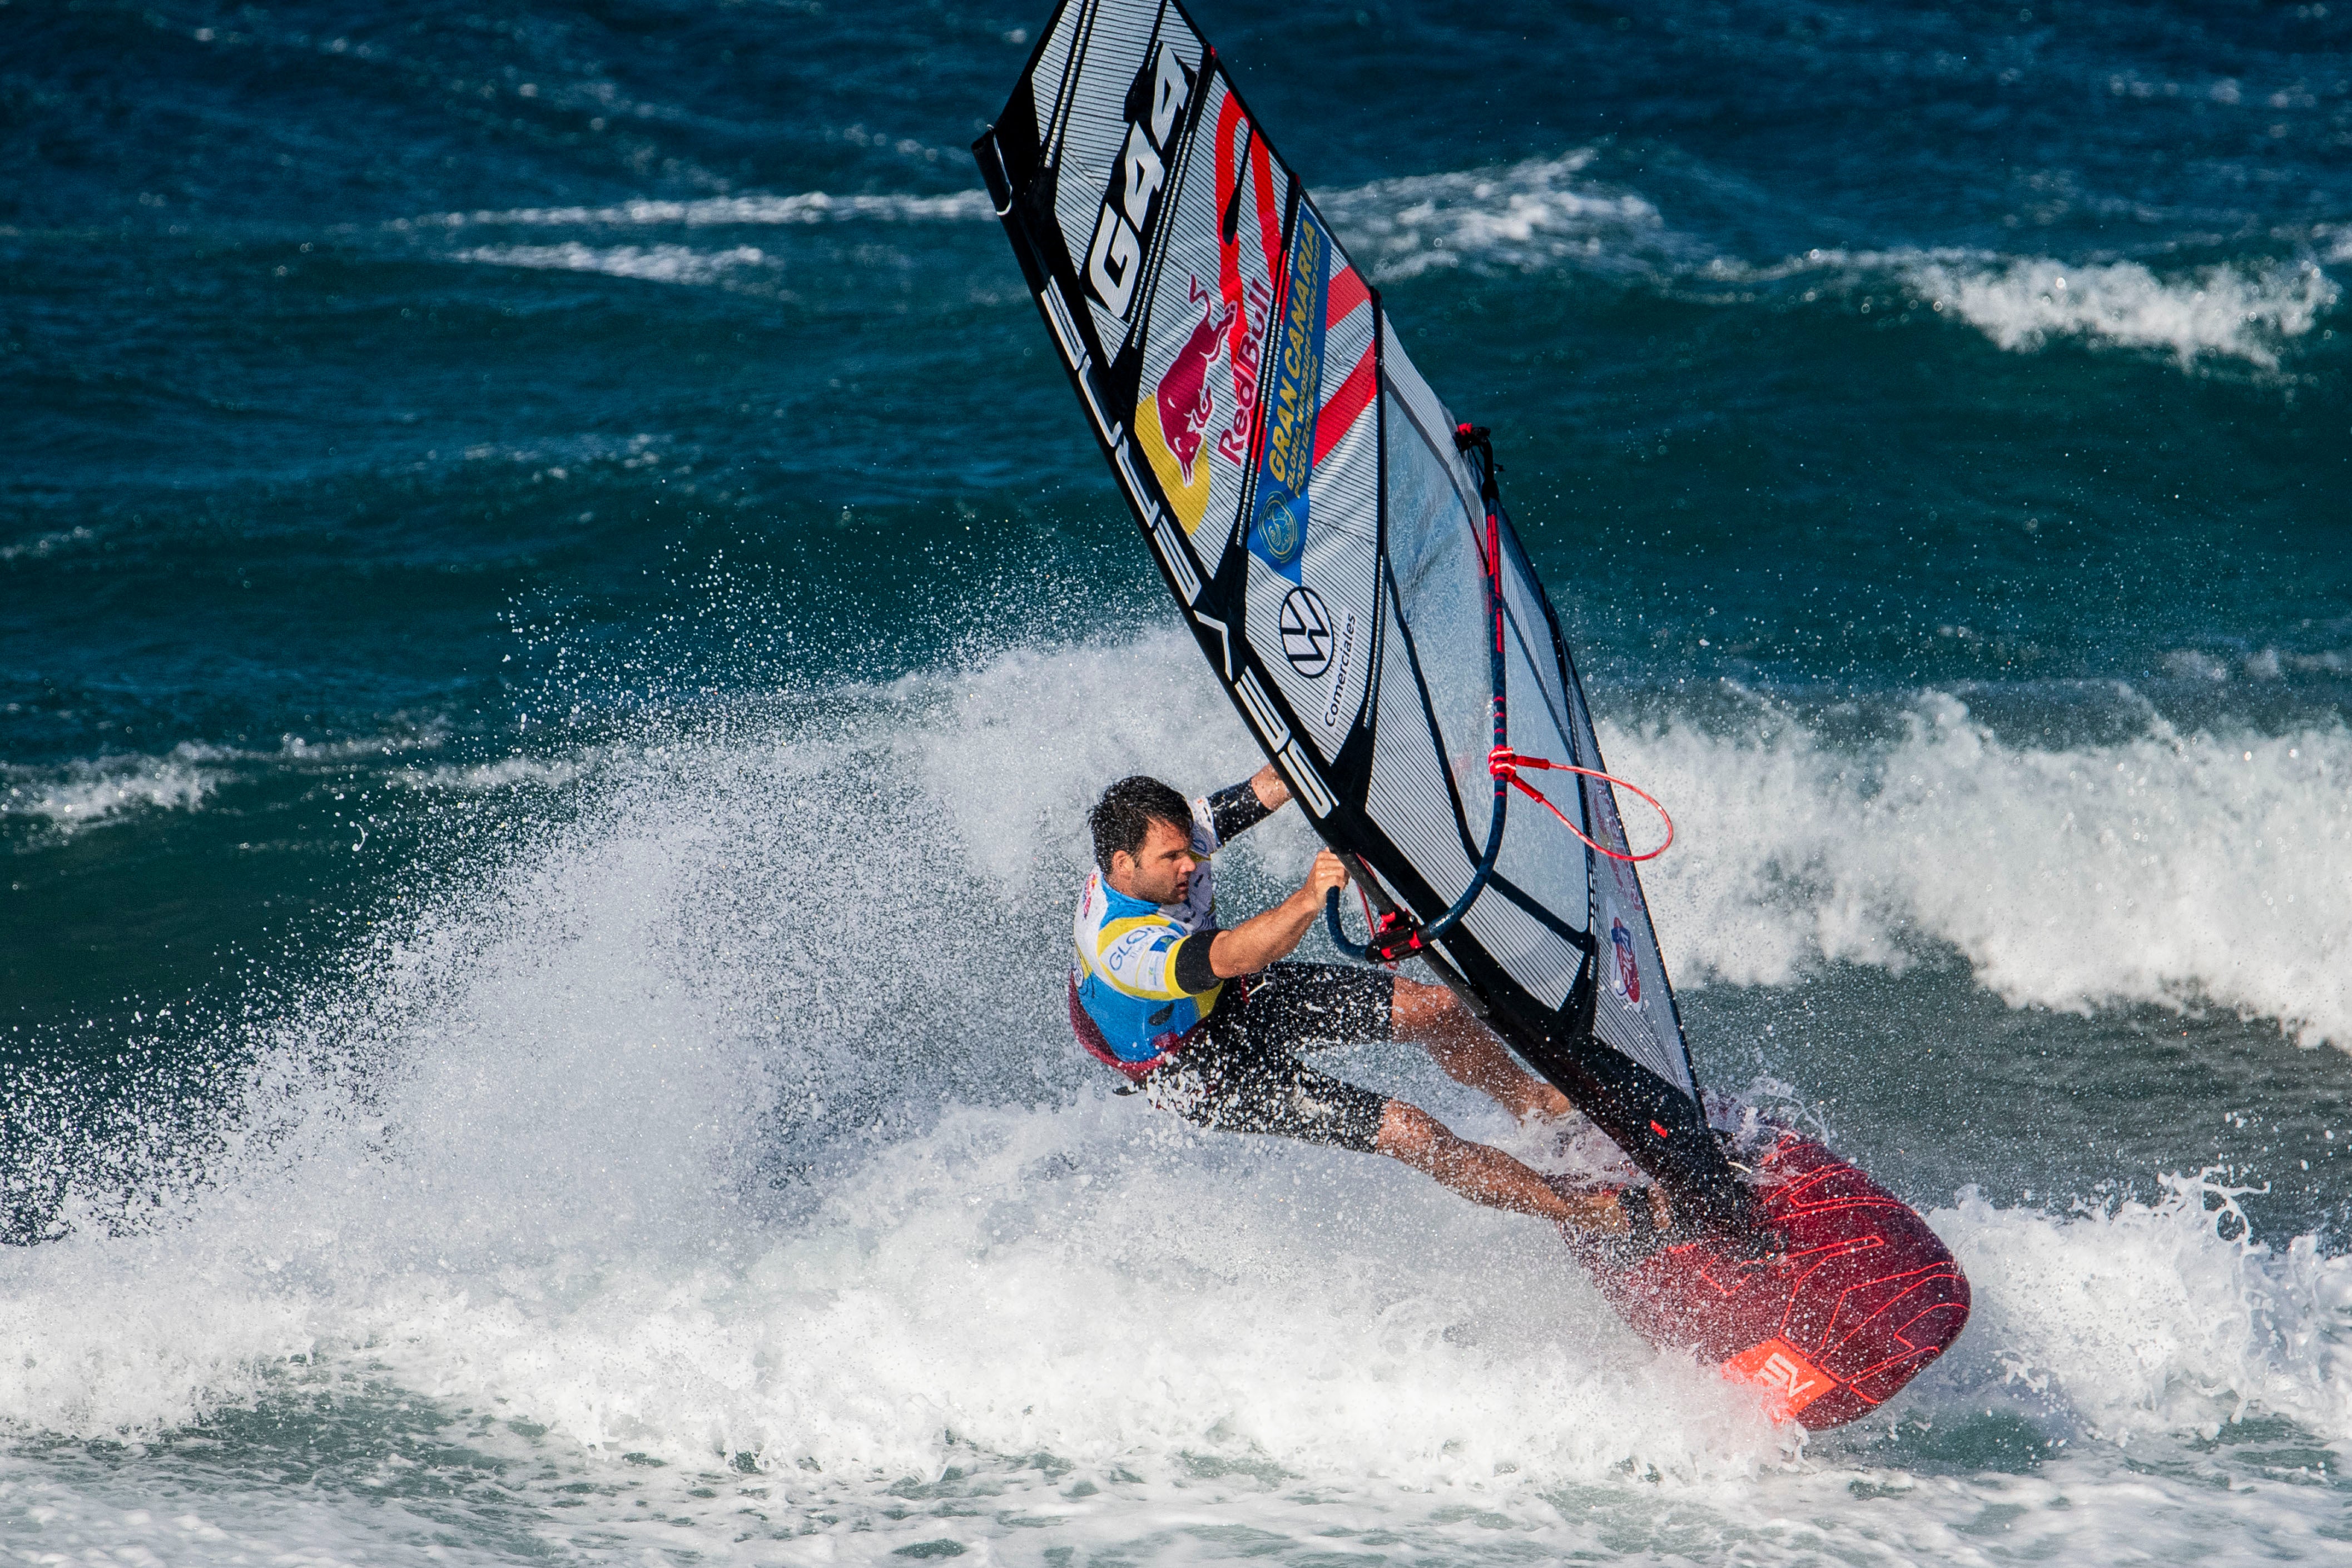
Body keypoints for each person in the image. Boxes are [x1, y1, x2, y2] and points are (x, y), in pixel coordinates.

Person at [1070, 765, 1669, 1243]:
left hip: (1223, 1001)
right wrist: (1308, 899)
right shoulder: (1122, 946)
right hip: (1195, 1069)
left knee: (1433, 1010)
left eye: (1190, 850)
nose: (1191, 863)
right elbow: (1231, 957)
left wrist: (1363, 770)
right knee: (1410, 1132)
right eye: (1172, 859)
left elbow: (1272, 784)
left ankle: (1535, 1104)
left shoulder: (1168, 839)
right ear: (1123, 866)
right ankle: (1597, 1215)